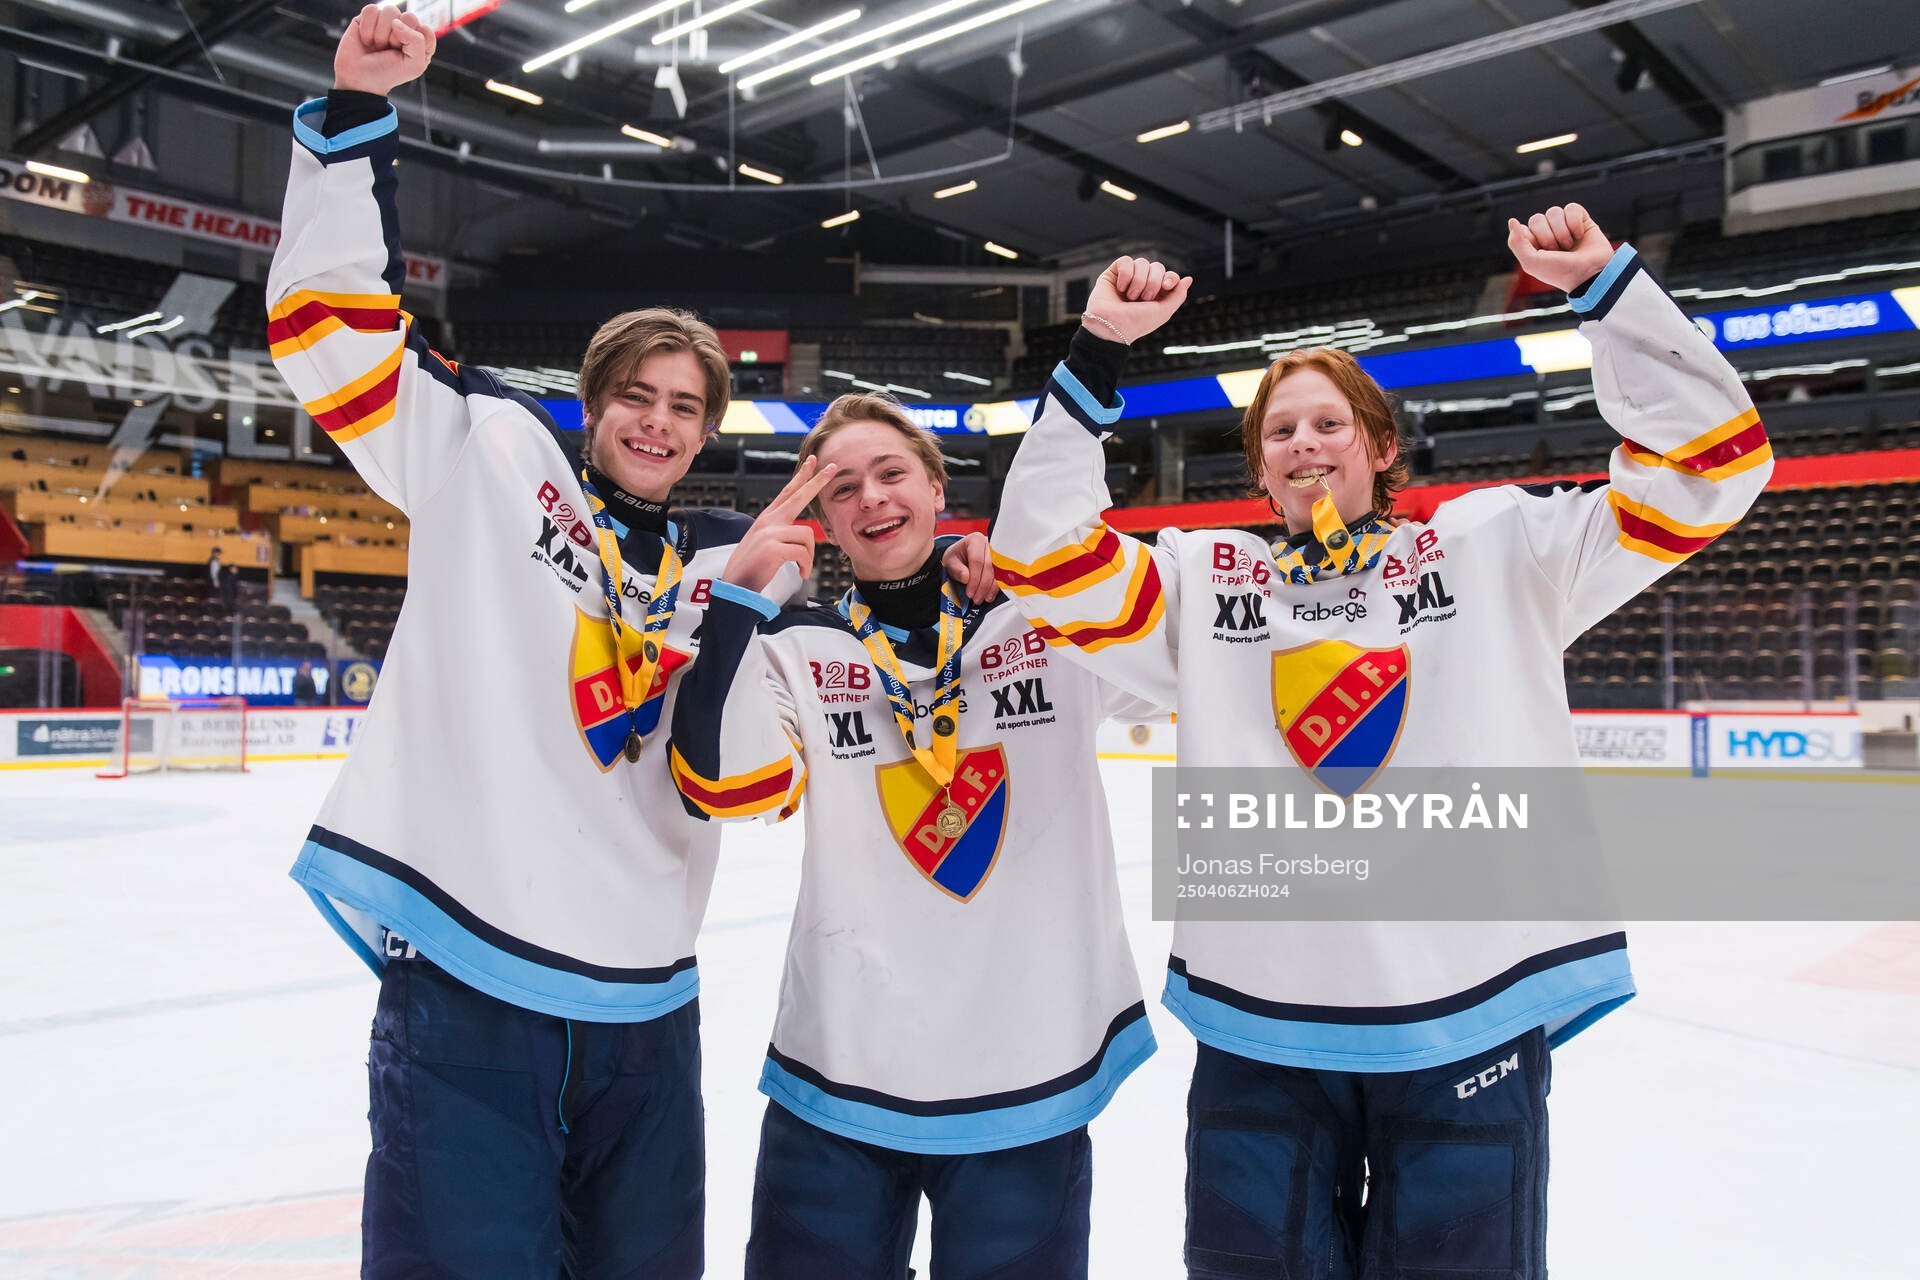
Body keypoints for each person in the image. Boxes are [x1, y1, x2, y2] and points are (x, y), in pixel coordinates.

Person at [267, 8, 993, 1276]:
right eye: (637, 397)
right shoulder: (492, 453)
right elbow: (333, 333)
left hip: (647, 1008)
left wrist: (827, 594)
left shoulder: (736, 556)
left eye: (686, 407)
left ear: (708, 429)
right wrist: (354, 120)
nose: (658, 423)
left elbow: (748, 772)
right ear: (595, 402)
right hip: (469, 978)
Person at [990, 208, 1772, 1277]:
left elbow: (1712, 468)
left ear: (1382, 444)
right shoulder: (1208, 577)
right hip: (1261, 1024)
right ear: (1258, 466)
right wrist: (1094, 354)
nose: (1303, 444)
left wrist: (1608, 291)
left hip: (1467, 1015)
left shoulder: (1500, 544)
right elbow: (1037, 555)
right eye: (1279, 431)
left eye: (1327, 424)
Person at [667, 395, 1163, 1279]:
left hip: (1027, 1078)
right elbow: (723, 786)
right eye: (843, 489)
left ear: (937, 486)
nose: (872, 499)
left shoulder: (1042, 621)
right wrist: (737, 602)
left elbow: (1179, 661)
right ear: (823, 520)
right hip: (840, 1080)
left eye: (892, 474)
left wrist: (1024, 567)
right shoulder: (798, 648)